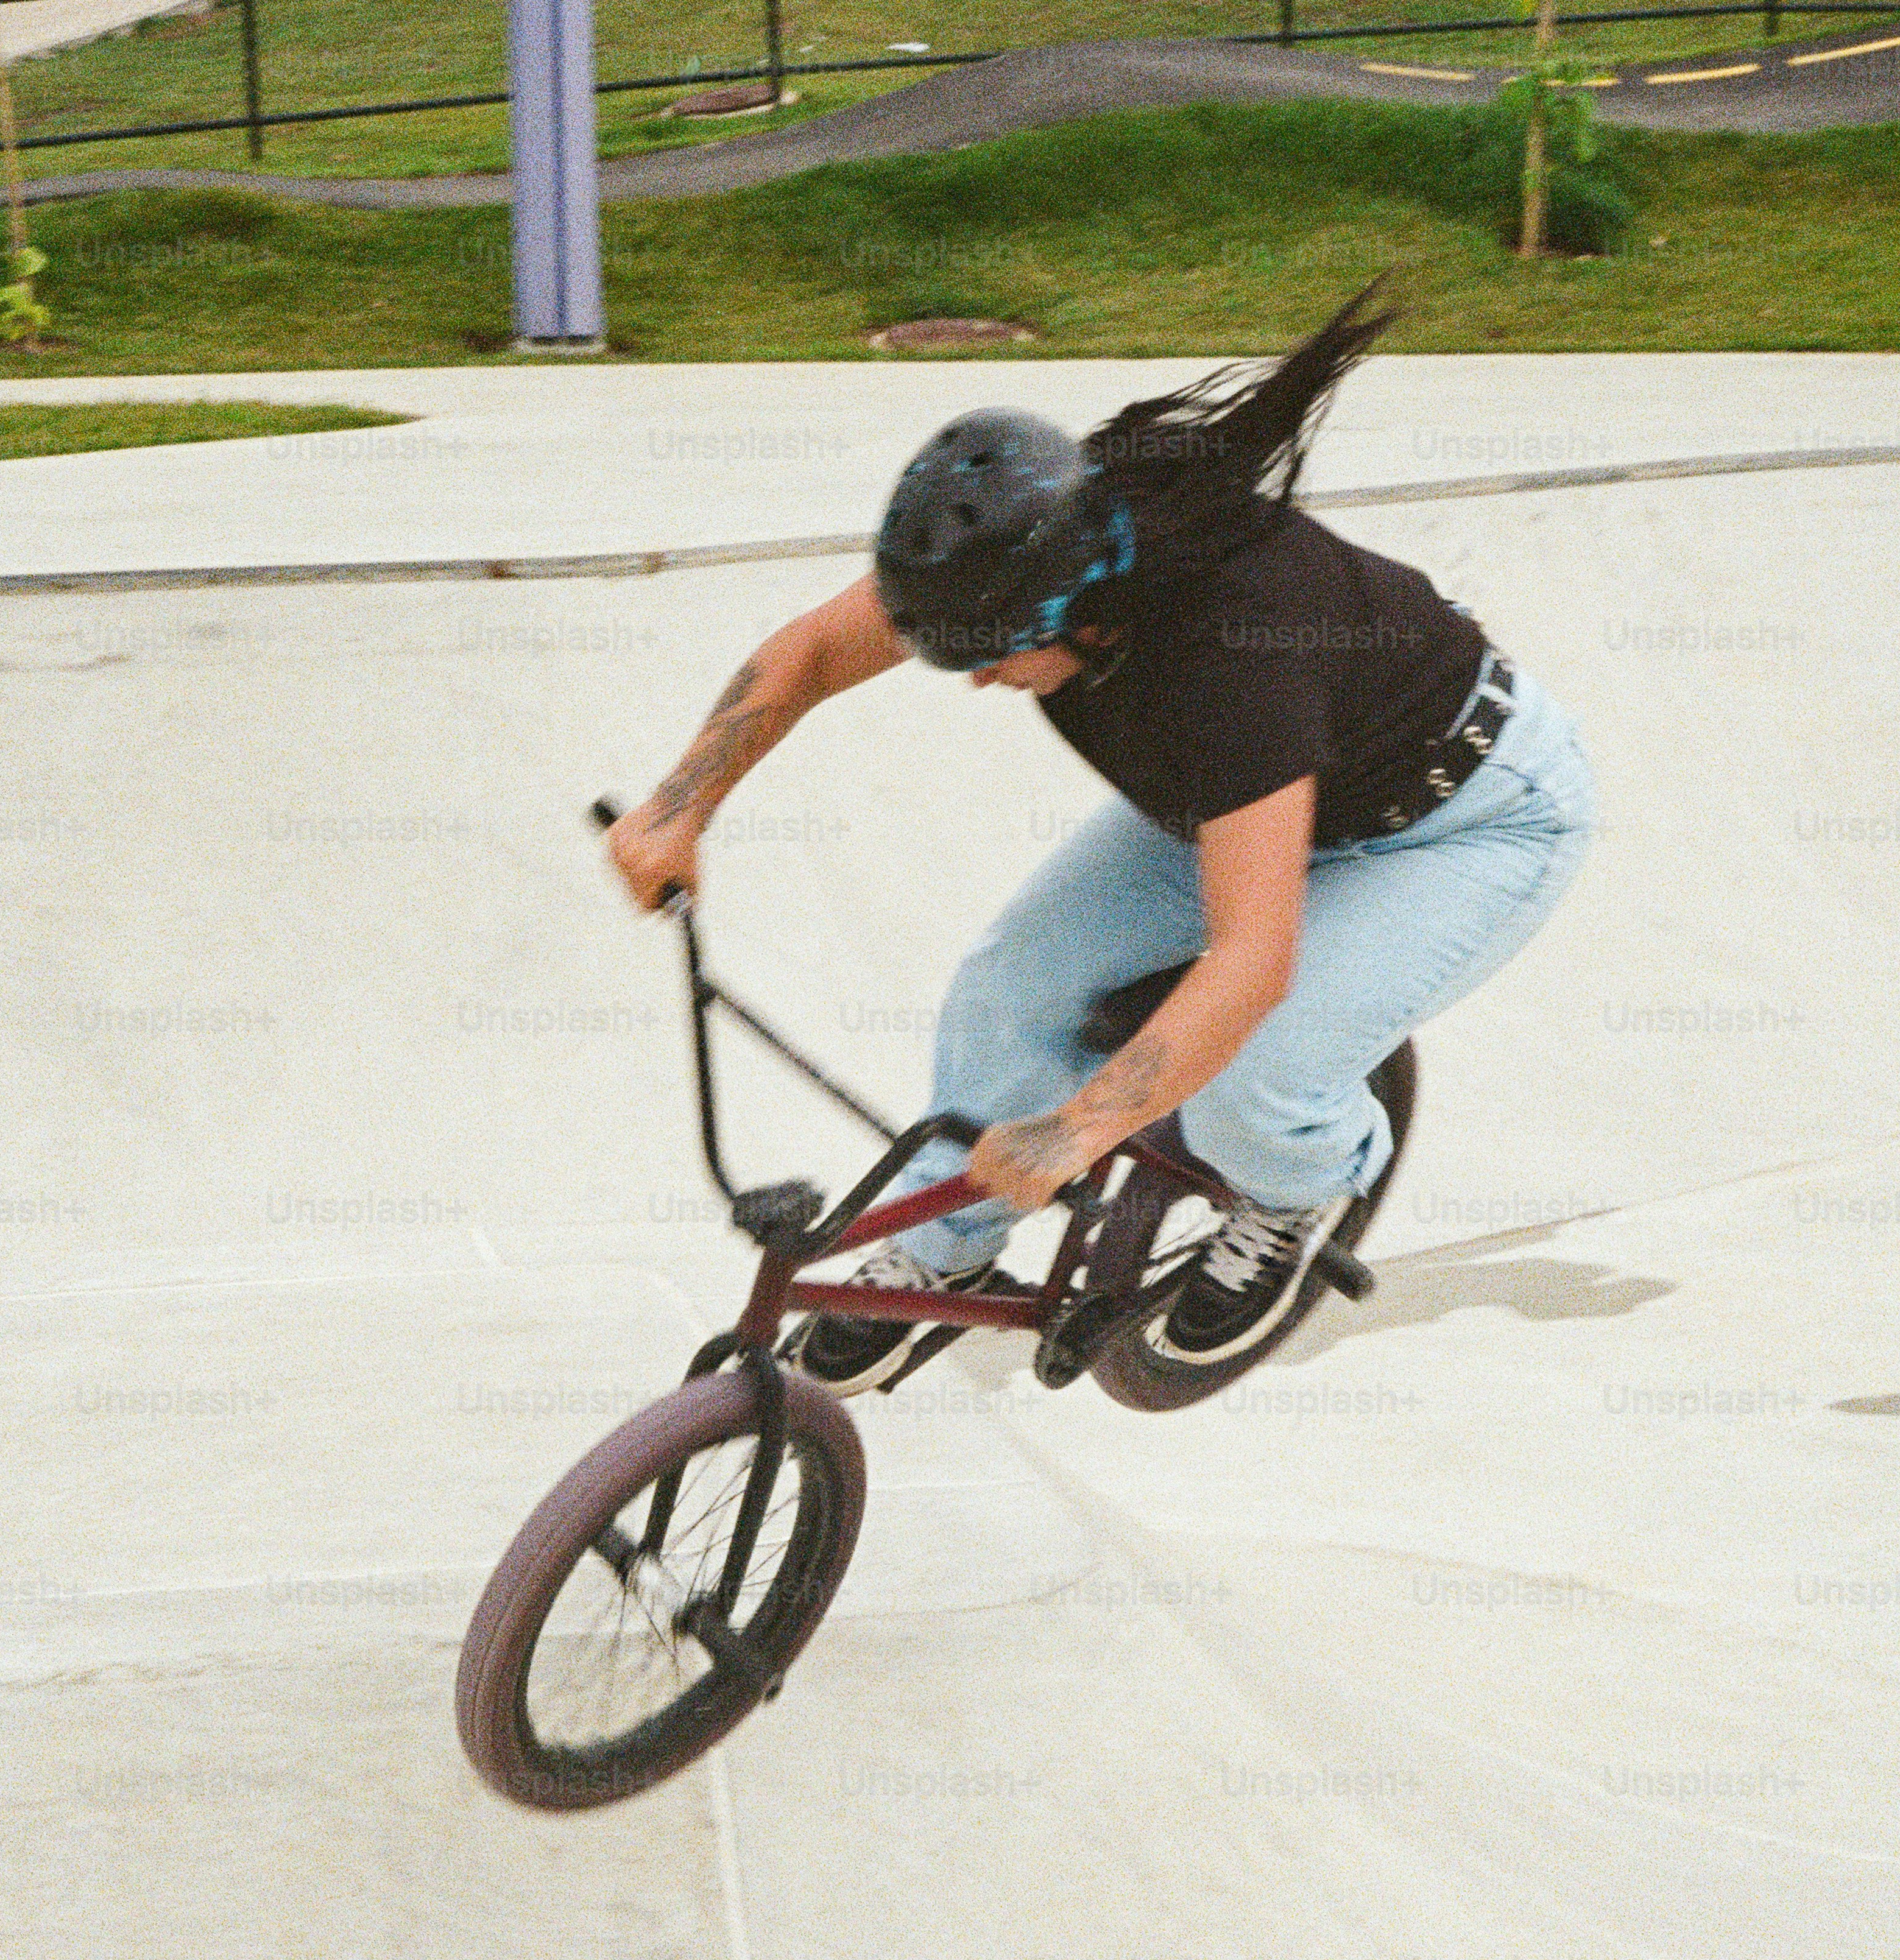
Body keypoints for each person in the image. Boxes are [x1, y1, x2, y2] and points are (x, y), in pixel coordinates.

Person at [603, 283, 1596, 1393]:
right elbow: (818, 652)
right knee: (1007, 993)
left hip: (1463, 822)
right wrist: (681, 803)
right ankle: (942, 1260)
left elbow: (1250, 960)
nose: (979, 679)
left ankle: (1306, 1185)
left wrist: (1076, 1130)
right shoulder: (1030, 540)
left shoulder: (1235, 657)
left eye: (995, 656)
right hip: (1236, 797)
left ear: (1086, 614)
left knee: (1252, 1081)